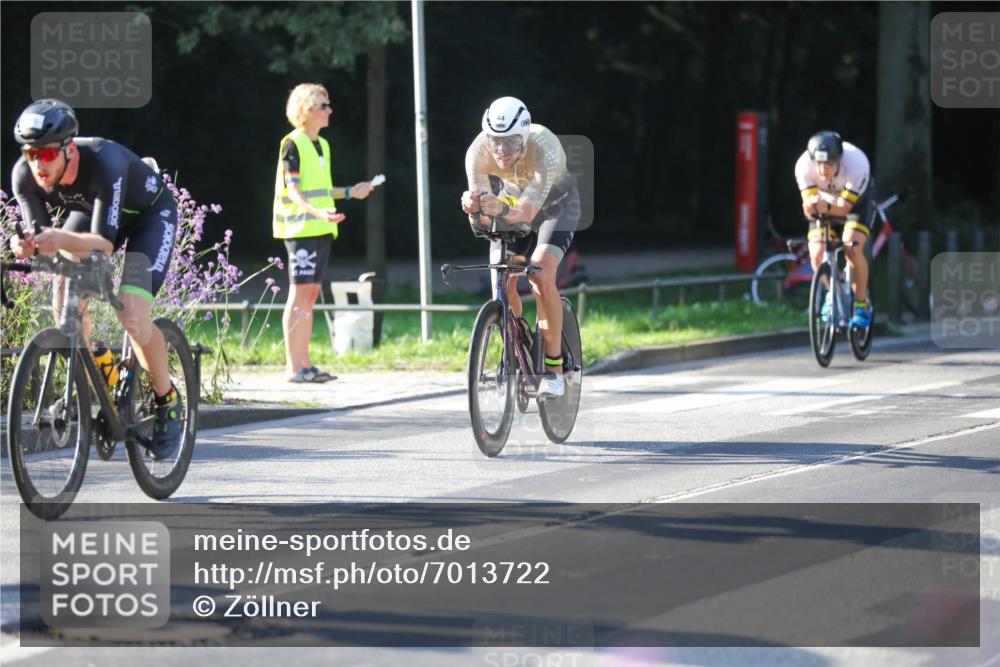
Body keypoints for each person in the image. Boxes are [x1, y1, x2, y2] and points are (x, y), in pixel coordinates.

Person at [9, 98, 182, 459]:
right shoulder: (24, 176)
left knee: (132, 315)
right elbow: (37, 233)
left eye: (46, 155)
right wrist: (23, 243)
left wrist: (56, 240)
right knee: (65, 297)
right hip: (91, 214)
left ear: (68, 150)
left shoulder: (104, 162)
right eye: (30, 154)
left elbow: (103, 244)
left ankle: (167, 399)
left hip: (148, 218)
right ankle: (97, 375)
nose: (37, 164)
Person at [461, 97, 580, 399]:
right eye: (495, 142)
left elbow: (526, 213)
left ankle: (553, 368)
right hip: (512, 203)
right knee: (501, 282)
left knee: (540, 271)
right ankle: (519, 339)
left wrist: (497, 209)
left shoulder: (546, 148)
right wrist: (475, 209)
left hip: (555, 207)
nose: (501, 151)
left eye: (511, 142)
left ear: (525, 137)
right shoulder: (477, 152)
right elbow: (489, 217)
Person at [273, 84, 374, 383]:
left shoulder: (322, 145)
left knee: (311, 294)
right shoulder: (291, 143)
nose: (329, 110)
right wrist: (317, 212)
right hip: (300, 228)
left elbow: (321, 189)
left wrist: (349, 192)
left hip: (321, 228)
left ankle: (305, 363)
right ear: (306, 110)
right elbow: (294, 189)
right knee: (298, 294)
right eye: (323, 105)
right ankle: (293, 368)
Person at [795, 130, 875, 327]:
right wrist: (809, 208)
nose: (823, 170)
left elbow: (845, 208)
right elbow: (810, 211)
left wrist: (824, 206)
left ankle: (861, 305)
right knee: (816, 253)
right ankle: (831, 294)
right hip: (825, 205)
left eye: (829, 163)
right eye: (819, 164)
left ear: (840, 159)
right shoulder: (803, 166)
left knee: (852, 248)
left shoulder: (857, 163)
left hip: (857, 205)